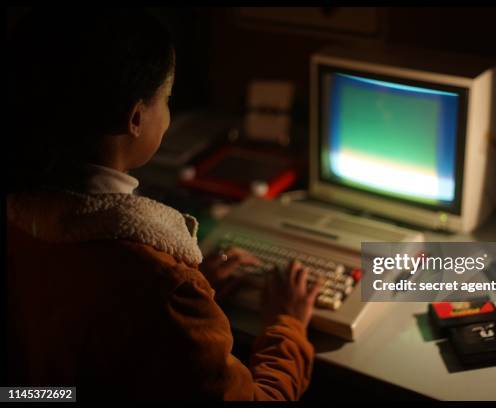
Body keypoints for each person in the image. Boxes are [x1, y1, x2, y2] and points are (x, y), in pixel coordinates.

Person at [6, 8, 321, 401]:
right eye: (167, 99)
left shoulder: (21, 221)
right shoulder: (164, 284)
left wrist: (191, 308)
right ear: (135, 118)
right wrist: (287, 323)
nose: (168, 114)